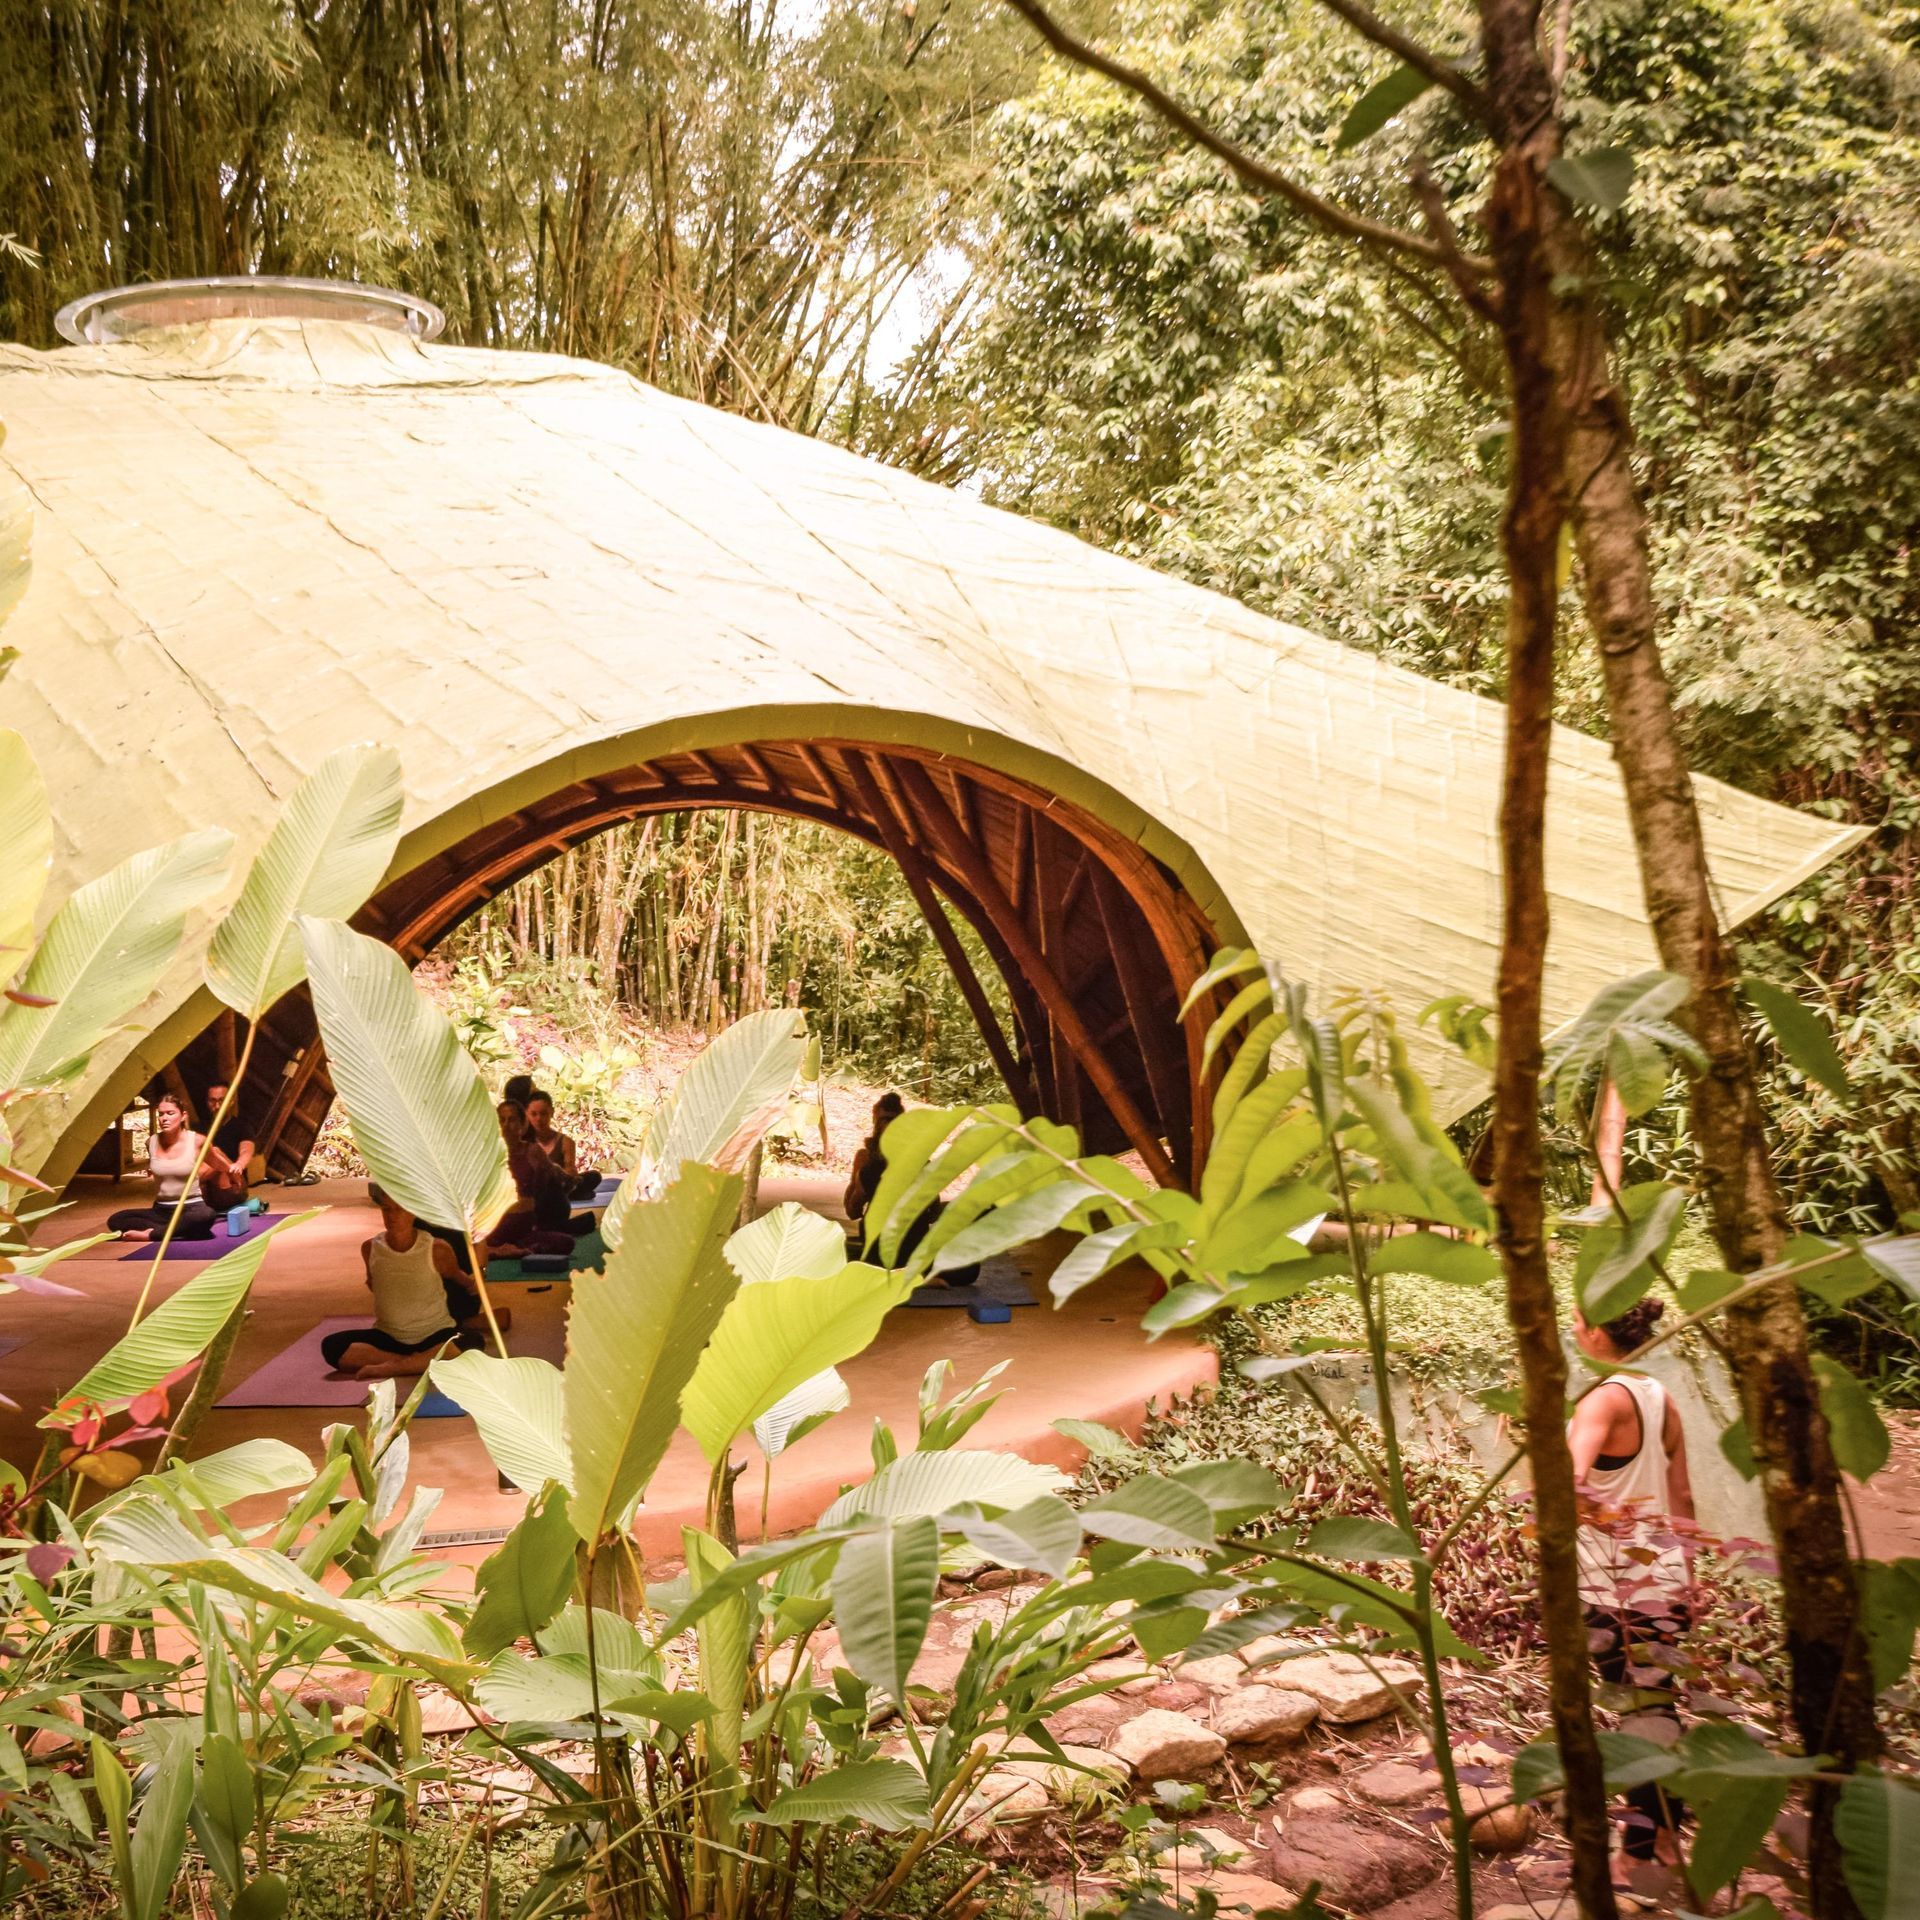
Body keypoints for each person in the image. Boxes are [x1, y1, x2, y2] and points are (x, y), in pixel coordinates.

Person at [1567, 1297, 1697, 1884]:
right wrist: (1688, 1577)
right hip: (1665, 1581)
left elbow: (1565, 1484)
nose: (1573, 1328)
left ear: (1597, 1333)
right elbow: (1684, 1498)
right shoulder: (1659, 1397)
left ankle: (1638, 1855)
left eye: (1576, 1319)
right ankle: (1667, 1837)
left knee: (1638, 1718)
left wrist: (1599, 1525)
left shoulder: (1601, 1399)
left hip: (1614, 1588)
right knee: (1658, 1707)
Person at [320, 1185, 489, 1378]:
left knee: (472, 1343)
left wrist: (476, 1281)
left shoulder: (437, 1248)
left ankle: (393, 1367)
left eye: (399, 1209)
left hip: (434, 1334)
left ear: (413, 1213)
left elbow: (460, 1278)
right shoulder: (370, 1248)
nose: (392, 1216)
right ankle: (415, 1362)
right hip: (388, 1336)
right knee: (331, 1346)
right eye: (386, 1209)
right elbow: (375, 1286)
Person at [841, 1091, 977, 1283]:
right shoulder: (923, 1164)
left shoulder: (867, 1166)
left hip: (878, 1254)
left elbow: (852, 1212)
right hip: (912, 1252)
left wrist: (854, 1182)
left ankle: (900, 1275)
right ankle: (918, 1276)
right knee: (968, 1269)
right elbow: (932, 1212)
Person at [107, 1092, 231, 1241]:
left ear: (183, 1116)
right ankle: (180, 1230)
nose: (164, 1118)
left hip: (191, 1208)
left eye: (170, 1113)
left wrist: (232, 1166)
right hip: (161, 1211)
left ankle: (152, 1234)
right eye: (161, 1114)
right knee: (116, 1220)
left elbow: (221, 1165)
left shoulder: (198, 1141)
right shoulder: (151, 1142)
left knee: (206, 1215)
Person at [525, 1089, 602, 1200]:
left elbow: (570, 1169)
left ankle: (566, 1195)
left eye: (543, 1113)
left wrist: (560, 1175)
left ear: (551, 1112)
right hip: (533, 1190)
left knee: (594, 1176)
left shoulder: (566, 1141)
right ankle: (573, 1195)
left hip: (560, 1186)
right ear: (527, 1114)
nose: (539, 1119)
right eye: (534, 1114)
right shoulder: (523, 1142)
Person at [199, 1081, 256, 1214]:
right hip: (207, 1185)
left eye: (221, 1101)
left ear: (231, 1102)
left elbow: (246, 1150)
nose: (217, 1106)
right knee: (206, 1157)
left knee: (214, 1152)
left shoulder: (242, 1126)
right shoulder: (200, 1128)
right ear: (207, 1102)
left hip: (233, 1183)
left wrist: (238, 1165)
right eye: (213, 1101)